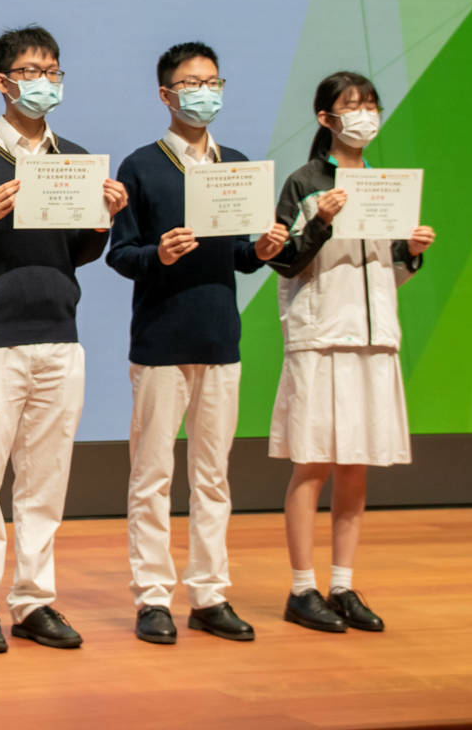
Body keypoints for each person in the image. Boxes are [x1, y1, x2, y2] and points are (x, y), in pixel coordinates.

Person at [0, 25, 128, 653]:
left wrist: (103, 220)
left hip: (60, 336)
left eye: (52, 71)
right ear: (3, 81)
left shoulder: (72, 158)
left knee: (45, 481)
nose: (43, 82)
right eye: (30, 71)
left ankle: (34, 600)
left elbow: (77, 252)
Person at [106, 40, 289, 646]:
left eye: (213, 82)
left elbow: (238, 253)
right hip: (160, 340)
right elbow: (121, 255)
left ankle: (209, 594)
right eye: (191, 84)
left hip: (219, 338)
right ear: (166, 94)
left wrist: (261, 250)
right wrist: (157, 254)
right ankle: (153, 598)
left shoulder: (235, 165)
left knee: (213, 477)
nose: (203, 93)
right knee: (152, 476)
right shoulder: (141, 166)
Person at [267, 71, 434, 634]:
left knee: (355, 465)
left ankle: (342, 585)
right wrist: (321, 220)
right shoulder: (305, 183)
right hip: (321, 338)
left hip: (373, 337)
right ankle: (301, 588)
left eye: (370, 105)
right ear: (326, 118)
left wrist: (410, 251)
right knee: (311, 463)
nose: (364, 115)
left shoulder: (385, 186)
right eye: (352, 105)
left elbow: (386, 273)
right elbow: (285, 260)